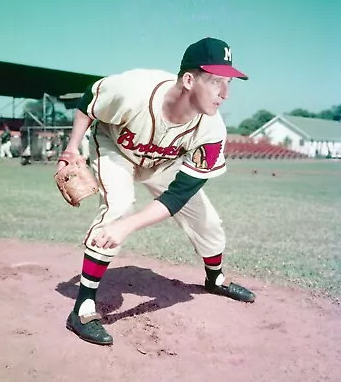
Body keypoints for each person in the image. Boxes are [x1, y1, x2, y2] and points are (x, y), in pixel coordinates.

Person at [56, 37, 256, 346]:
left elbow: (178, 196)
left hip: (163, 163)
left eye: (229, 83)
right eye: (217, 81)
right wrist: (70, 150)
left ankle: (215, 278)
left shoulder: (212, 131)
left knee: (208, 221)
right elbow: (88, 102)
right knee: (118, 208)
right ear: (189, 80)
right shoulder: (134, 90)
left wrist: (129, 227)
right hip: (115, 148)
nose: (225, 94)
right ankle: (82, 307)